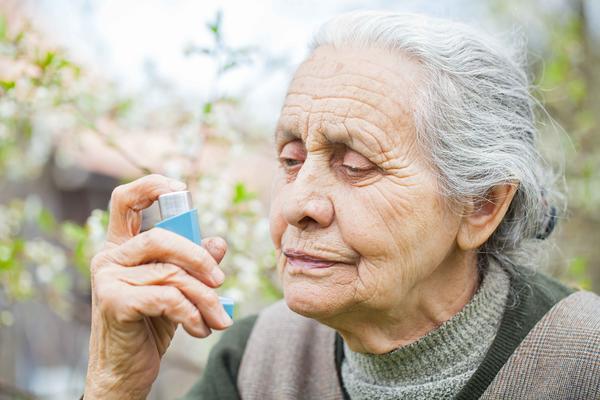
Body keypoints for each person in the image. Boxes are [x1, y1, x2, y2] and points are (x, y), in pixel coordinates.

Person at [82, 11, 600, 400]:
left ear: (481, 205)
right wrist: (115, 383)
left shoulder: (583, 362)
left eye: (355, 165)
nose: (297, 204)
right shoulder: (256, 365)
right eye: (289, 159)